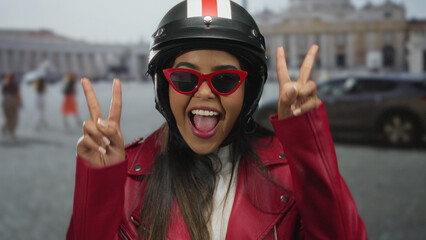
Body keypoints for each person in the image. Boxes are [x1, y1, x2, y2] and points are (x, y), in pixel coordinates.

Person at [67, 1, 368, 239]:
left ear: (248, 92)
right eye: (185, 78)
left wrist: (307, 151)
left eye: (225, 79)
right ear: (164, 87)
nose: (205, 92)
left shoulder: (288, 173)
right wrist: (100, 187)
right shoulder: (122, 178)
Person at [2, 73, 21, 142]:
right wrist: (20, 102)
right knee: (13, 118)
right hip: (13, 102)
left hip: (6, 102)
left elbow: (3, 93)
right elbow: (17, 94)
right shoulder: (14, 85)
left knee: (8, 118)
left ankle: (4, 129)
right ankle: (11, 132)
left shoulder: (5, 85)